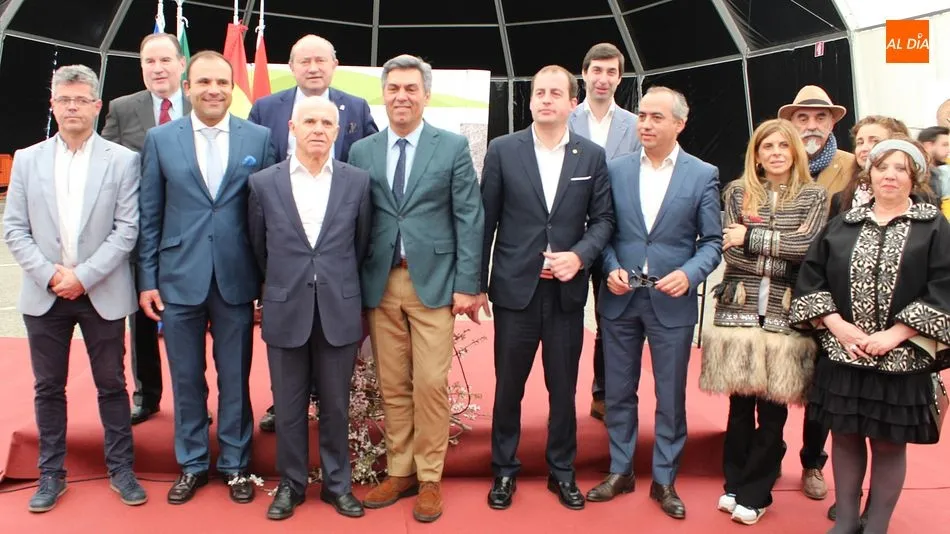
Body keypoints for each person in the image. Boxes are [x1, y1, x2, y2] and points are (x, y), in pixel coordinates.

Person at [347, 54, 484, 523]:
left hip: (436, 284)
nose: (401, 96)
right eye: (393, 88)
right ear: (383, 94)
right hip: (380, 281)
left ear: (426, 95)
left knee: (429, 383)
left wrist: (468, 284)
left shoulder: (451, 147)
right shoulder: (362, 151)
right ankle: (400, 470)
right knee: (391, 383)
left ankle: (429, 478)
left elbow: (470, 216)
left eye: (411, 89)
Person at [3, 64, 146, 511]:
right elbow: (14, 228)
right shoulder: (27, 159)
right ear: (52, 104)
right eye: (64, 100)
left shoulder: (122, 160)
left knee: (112, 385)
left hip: (101, 291)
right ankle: (51, 473)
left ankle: (121, 469)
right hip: (44, 293)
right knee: (48, 387)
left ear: (97, 106)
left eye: (81, 100)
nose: (71, 108)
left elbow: (127, 229)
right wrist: (51, 275)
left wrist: (83, 276)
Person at [790, 139, 950, 534]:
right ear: (869, 174)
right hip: (845, 355)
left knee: (889, 442)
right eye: (882, 167)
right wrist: (837, 326)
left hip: (902, 359)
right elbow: (811, 278)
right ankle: (845, 521)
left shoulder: (933, 226)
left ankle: (877, 525)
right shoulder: (844, 223)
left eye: (900, 168)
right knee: (845, 438)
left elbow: (944, 285)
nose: (890, 176)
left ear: (914, 177)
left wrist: (895, 334)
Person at [138, 50, 276, 505]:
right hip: (178, 278)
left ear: (232, 87)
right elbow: (150, 214)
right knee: (187, 378)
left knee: (235, 376)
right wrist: (147, 279)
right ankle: (193, 463)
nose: (213, 90)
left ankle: (236, 464)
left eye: (221, 82)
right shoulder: (161, 139)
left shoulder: (259, 137)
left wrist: (269, 280)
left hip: (237, 277)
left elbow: (269, 215)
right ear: (188, 87)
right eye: (203, 82)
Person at [481, 65, 614, 512]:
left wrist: (580, 256)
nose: (546, 100)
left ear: (573, 103)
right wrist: (475, 284)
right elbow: (486, 220)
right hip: (514, 293)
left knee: (563, 388)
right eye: (539, 92)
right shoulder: (503, 150)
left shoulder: (591, 156)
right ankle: (504, 470)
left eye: (556, 93)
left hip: (565, 295)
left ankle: (562, 471)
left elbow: (604, 221)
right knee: (508, 388)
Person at [586, 86, 722, 520]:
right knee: (618, 391)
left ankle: (664, 479)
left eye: (656, 117)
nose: (644, 124)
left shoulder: (702, 174)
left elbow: (712, 241)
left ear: (680, 123)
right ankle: (620, 470)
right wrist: (610, 268)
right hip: (621, 299)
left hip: (671, 301)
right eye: (642, 115)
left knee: (670, 395)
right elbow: (601, 229)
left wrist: (690, 273)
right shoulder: (615, 169)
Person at [698, 119, 827, 525]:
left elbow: (808, 249)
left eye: (783, 146)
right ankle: (734, 484)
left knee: (773, 413)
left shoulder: (814, 196)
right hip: (738, 312)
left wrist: (752, 237)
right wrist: (777, 250)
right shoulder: (738, 192)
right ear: (756, 153)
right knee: (739, 408)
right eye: (767, 146)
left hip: (785, 318)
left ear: (795, 152)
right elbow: (730, 252)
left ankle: (756, 492)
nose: (775, 153)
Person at [248, 96, 371, 520]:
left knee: (336, 405)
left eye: (326, 123)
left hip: (338, 308)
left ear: (338, 131)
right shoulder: (264, 183)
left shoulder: (357, 182)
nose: (318, 129)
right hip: (286, 308)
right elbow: (259, 247)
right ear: (292, 128)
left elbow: (361, 244)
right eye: (309, 121)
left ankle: (338, 485)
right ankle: (292, 484)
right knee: (288, 406)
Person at [249, 33, 379, 433]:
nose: (313, 67)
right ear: (290, 67)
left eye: (321, 60)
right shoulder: (265, 108)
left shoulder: (356, 107)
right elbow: (259, 225)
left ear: (334, 65)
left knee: (334, 380)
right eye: (304, 60)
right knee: (288, 369)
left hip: (336, 257)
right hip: (287, 255)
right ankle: (286, 404)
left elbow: (362, 221)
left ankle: (328, 401)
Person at [100, 32, 191, 425]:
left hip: (191, 234)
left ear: (181, 64)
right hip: (140, 235)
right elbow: (105, 165)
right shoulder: (123, 109)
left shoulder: (202, 104)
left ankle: (193, 400)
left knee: (191, 323)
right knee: (141, 320)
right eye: (149, 61)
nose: (157, 68)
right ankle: (146, 395)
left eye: (165, 60)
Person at [777, 84, 855, 499]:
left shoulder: (851, 166)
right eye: (802, 117)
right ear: (790, 123)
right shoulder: (776, 159)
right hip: (778, 283)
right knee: (773, 376)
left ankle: (812, 462)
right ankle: (769, 454)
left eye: (820, 117)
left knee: (821, 385)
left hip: (830, 291)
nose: (811, 125)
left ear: (832, 123)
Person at [568, 42, 640, 422]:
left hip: (617, 238)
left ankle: (604, 394)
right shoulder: (565, 119)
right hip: (571, 238)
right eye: (597, 70)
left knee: (612, 319)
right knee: (566, 318)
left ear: (620, 78)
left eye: (611, 72)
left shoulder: (634, 125)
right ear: (584, 74)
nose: (603, 78)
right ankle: (561, 396)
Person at [829, 116, 909, 218]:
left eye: (875, 141)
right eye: (860, 142)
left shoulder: (919, 197)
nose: (864, 148)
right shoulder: (840, 200)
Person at [917, 126, 950, 218]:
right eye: (944, 145)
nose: (948, 150)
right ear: (928, 146)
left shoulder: (944, 172)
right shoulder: (917, 175)